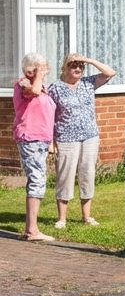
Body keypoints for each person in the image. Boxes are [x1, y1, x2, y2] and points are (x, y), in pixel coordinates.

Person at [49, 53, 115, 229]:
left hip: (89, 136)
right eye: (73, 66)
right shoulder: (55, 88)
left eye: (80, 66)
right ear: (65, 67)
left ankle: (86, 216)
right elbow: (49, 116)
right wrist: (51, 141)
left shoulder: (88, 83)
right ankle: (62, 218)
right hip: (66, 137)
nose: (77, 69)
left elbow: (110, 72)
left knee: (87, 173)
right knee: (65, 175)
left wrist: (89, 60)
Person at [13, 53, 55, 242]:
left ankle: (31, 228)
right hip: (30, 138)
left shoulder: (42, 87)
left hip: (41, 139)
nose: (46, 71)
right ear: (32, 70)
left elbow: (46, 115)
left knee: (38, 180)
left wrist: (51, 141)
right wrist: (37, 74)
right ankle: (32, 230)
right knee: (37, 180)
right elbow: (34, 91)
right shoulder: (23, 84)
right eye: (43, 68)